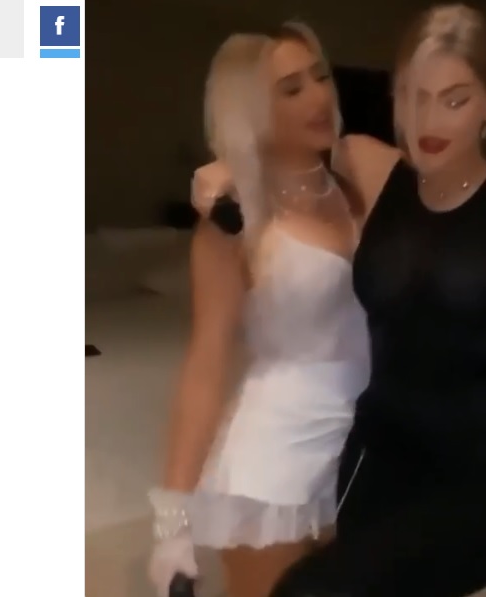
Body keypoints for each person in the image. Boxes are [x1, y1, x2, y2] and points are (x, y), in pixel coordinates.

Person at [191, 4, 486, 596]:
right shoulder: (367, 163)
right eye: (414, 97)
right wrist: (221, 172)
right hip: (383, 455)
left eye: (454, 99)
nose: (428, 121)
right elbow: (275, 146)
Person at [146, 23, 371, 597]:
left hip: (366, 445)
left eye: (320, 77)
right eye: (291, 89)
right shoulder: (233, 219)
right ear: (252, 110)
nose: (318, 97)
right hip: (276, 460)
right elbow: (206, 363)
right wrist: (172, 522)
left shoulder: (359, 175)